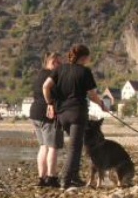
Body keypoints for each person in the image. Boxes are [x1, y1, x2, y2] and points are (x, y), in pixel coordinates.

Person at [43, 43, 107, 189]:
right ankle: (65, 180)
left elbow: (45, 86)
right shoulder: (85, 72)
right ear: (84, 57)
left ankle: (75, 176)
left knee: (74, 146)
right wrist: (101, 104)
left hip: (62, 114)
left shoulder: (60, 69)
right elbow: (91, 95)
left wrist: (50, 103)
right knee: (75, 148)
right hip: (77, 113)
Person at [28, 52, 63, 188]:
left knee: (43, 146)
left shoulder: (39, 75)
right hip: (48, 113)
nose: (61, 66)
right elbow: (50, 91)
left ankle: (41, 178)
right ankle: (52, 177)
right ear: (53, 62)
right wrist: (51, 104)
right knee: (53, 146)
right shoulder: (52, 76)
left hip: (35, 113)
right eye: (59, 63)